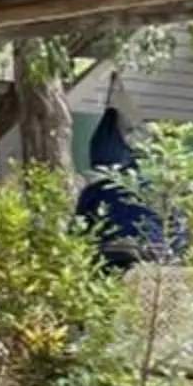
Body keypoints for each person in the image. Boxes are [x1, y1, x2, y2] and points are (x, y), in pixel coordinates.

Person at [75, 101, 162, 270]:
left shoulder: (96, 191)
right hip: (153, 255)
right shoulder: (157, 189)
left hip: (111, 257)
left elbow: (79, 230)